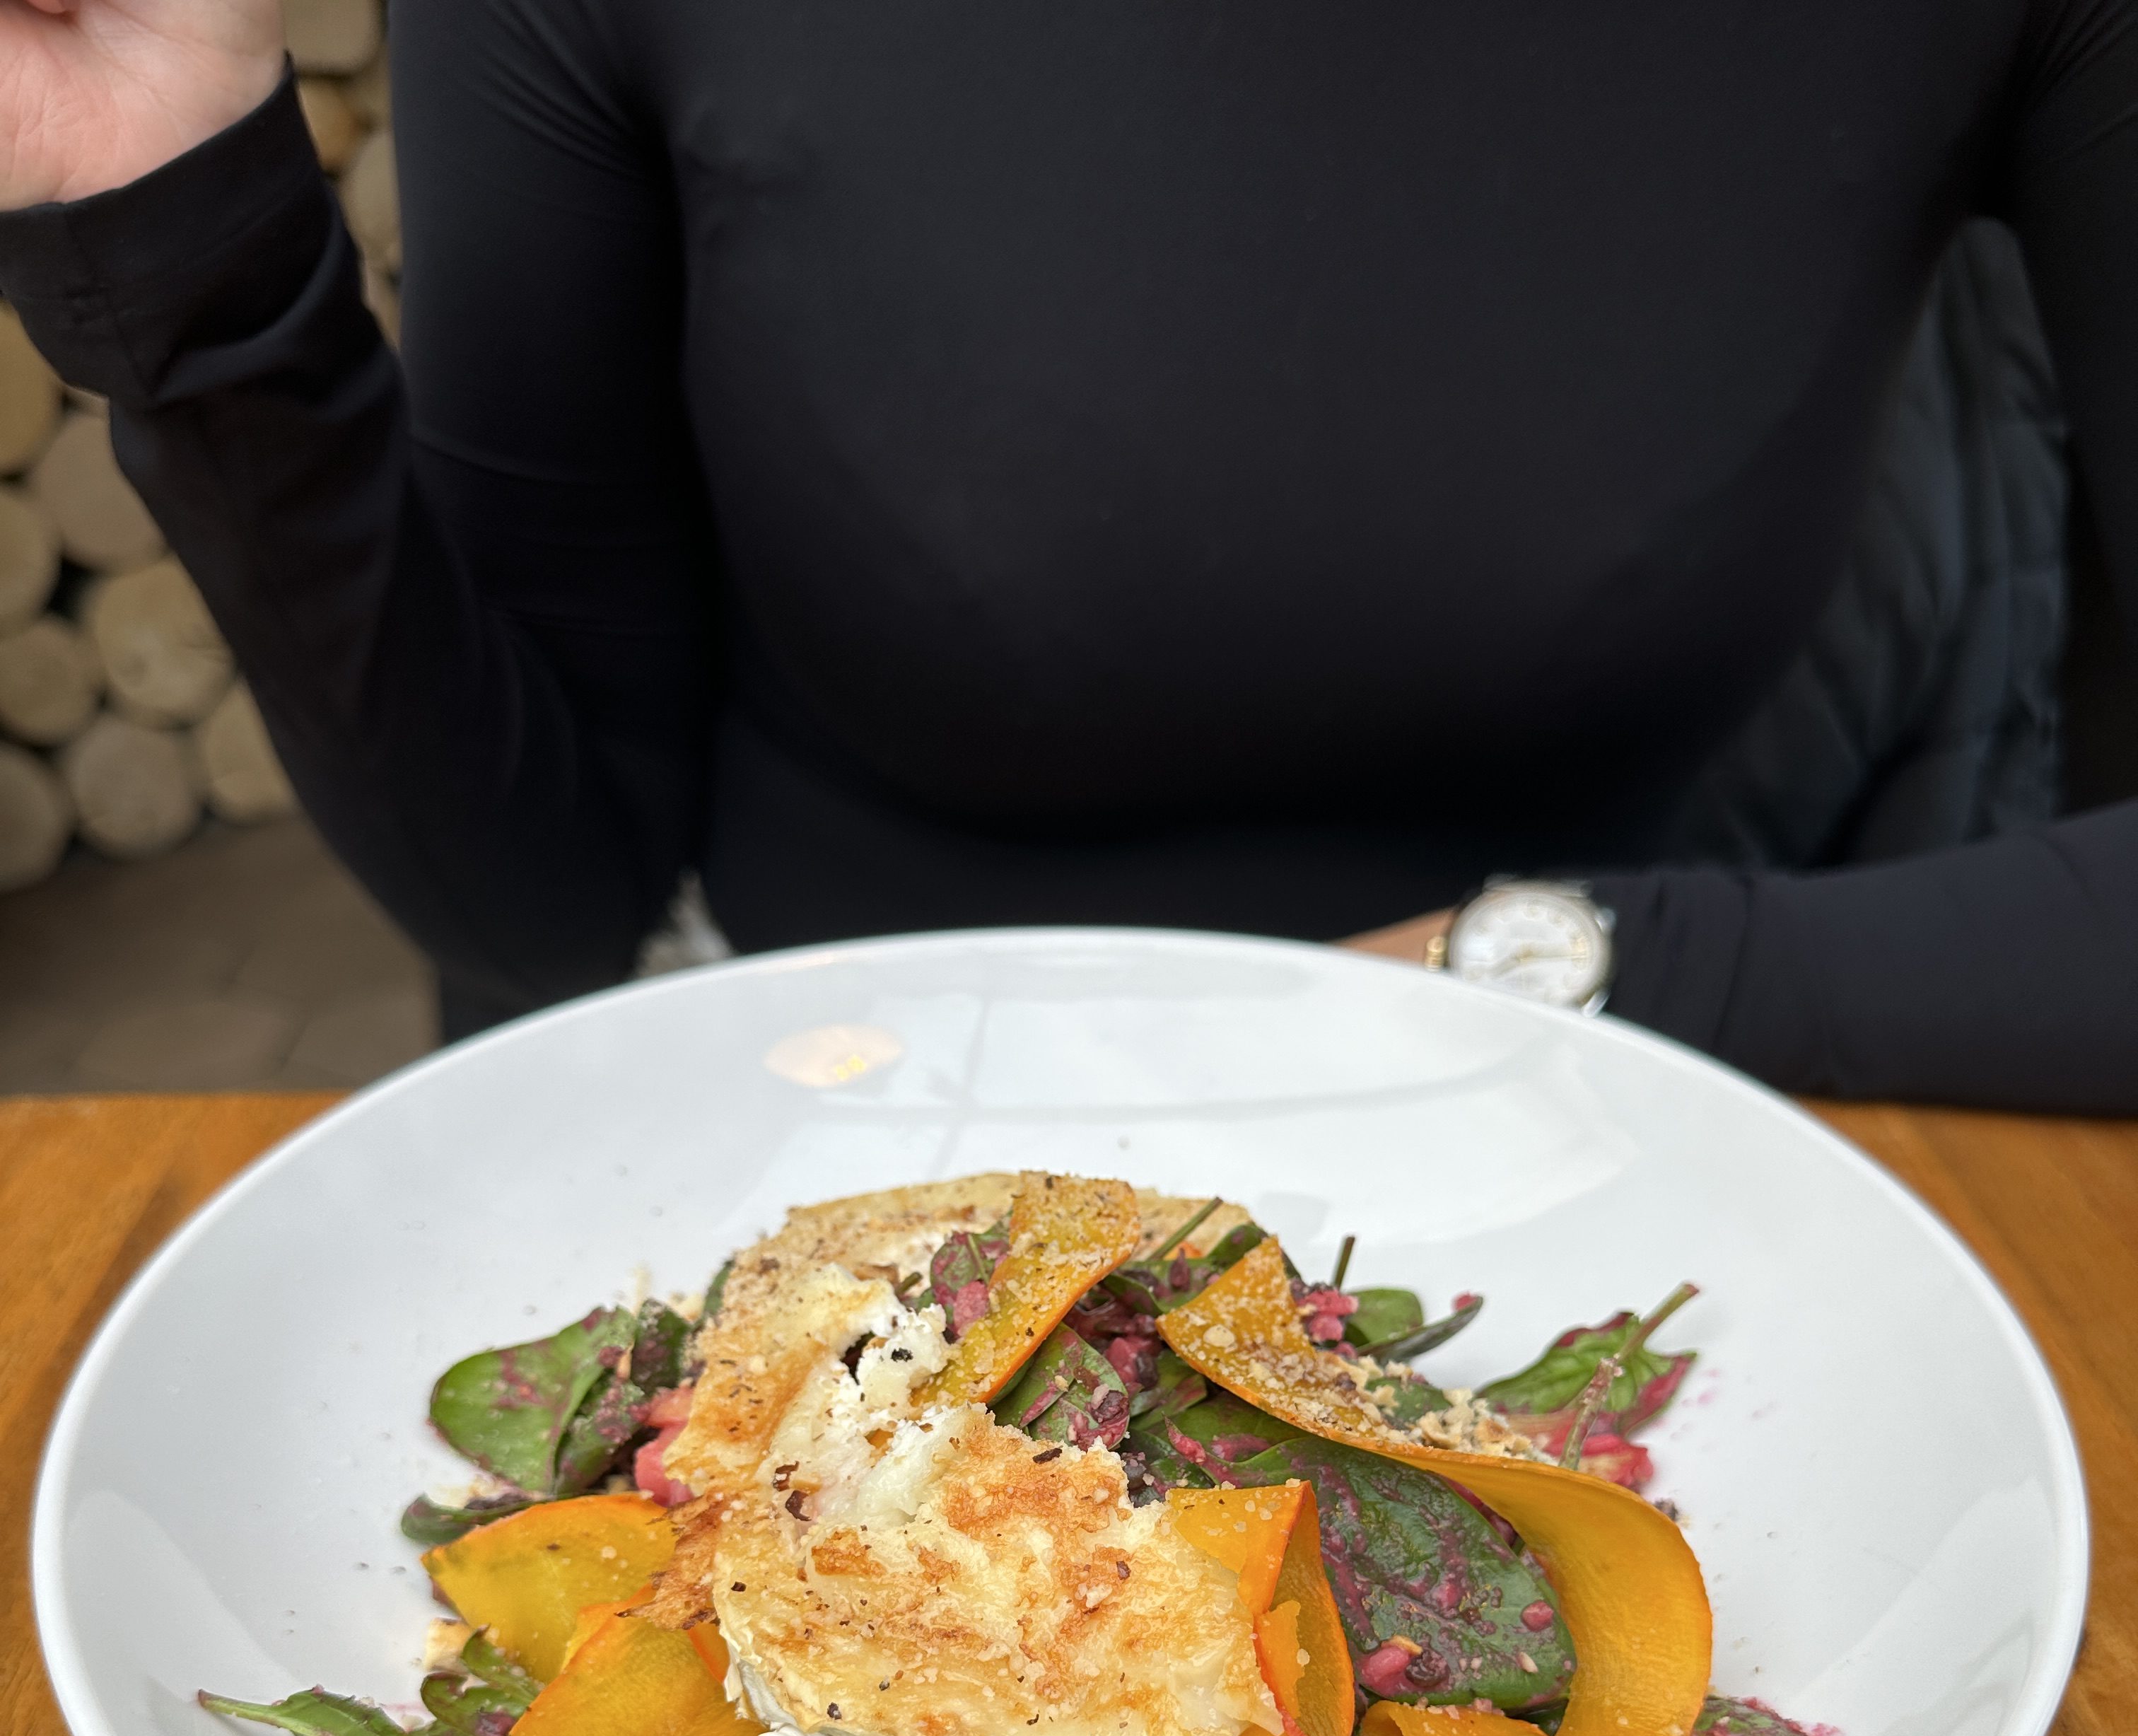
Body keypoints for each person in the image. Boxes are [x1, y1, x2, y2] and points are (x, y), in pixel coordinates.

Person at [1, 0, 2134, 1105]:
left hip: (1623, 1164)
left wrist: (1576, 977)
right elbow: (539, 889)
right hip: (832, 1159)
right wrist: (186, 237)